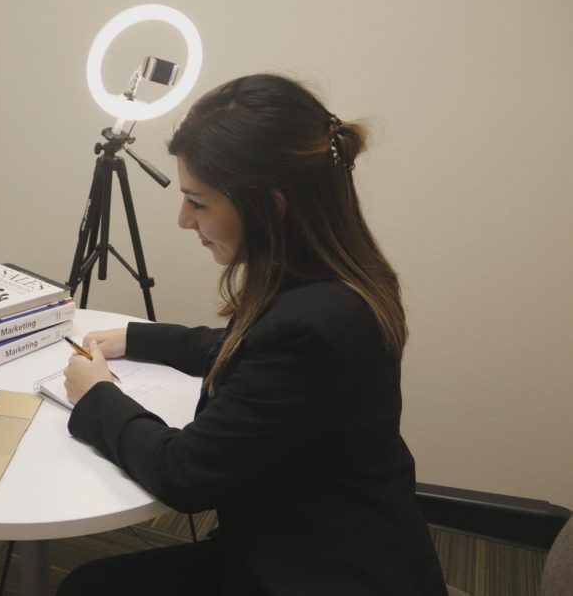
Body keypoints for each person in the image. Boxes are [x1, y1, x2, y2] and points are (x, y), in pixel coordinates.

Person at [56, 73, 448, 595]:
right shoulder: (337, 280)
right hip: (332, 540)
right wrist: (137, 337)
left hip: (317, 571)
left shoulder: (312, 324)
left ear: (272, 205)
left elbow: (183, 475)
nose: (182, 220)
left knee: (87, 589)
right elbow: (246, 353)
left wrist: (97, 395)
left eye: (197, 202)